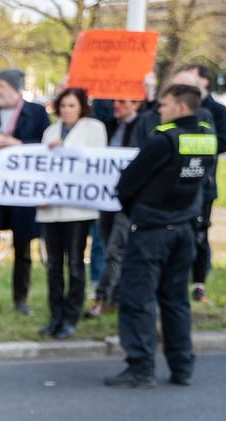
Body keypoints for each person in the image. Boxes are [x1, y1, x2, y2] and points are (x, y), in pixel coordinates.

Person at [105, 84, 217, 388]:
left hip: (152, 230)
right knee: (176, 300)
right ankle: (182, 367)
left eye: (165, 105)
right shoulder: (206, 139)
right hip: (183, 230)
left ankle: (141, 367)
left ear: (181, 108)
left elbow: (128, 183)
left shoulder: (163, 140)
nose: (159, 110)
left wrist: (134, 207)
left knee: (138, 298)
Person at [0, 69, 49, 316]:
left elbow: (47, 146)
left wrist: (19, 145)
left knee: (23, 245)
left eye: (1, 85)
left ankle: (21, 300)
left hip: (21, 191)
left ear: (15, 88)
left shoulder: (35, 113)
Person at [36, 88, 105, 340]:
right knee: (53, 264)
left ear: (81, 107)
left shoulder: (93, 128)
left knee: (75, 263)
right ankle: (55, 315)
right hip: (50, 209)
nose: (66, 110)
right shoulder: (50, 131)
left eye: (71, 106)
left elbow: (95, 161)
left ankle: (71, 317)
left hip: (77, 209)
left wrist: (66, 149)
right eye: (63, 106)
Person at [159, 67, 226, 302]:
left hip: (199, 187)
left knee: (198, 236)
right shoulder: (163, 119)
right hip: (170, 190)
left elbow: (217, 145)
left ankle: (198, 283)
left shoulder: (209, 115)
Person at [88, 96, 148, 320]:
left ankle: (104, 299)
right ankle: (116, 296)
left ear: (136, 104)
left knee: (116, 249)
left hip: (126, 202)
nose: (116, 105)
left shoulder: (142, 126)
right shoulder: (110, 126)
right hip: (106, 200)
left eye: (123, 102)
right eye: (115, 101)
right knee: (107, 247)